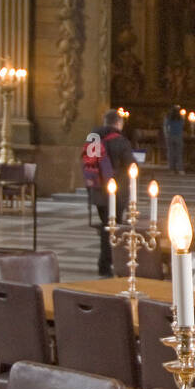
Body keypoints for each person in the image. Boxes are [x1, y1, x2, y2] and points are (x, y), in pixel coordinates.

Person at [80, 108, 135, 277]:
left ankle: (104, 264)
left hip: (97, 192)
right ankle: (109, 263)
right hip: (117, 193)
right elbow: (131, 166)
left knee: (106, 227)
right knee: (115, 229)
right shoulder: (120, 141)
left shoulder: (93, 137)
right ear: (119, 123)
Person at [163, 105, 184, 174]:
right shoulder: (180, 118)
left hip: (171, 136)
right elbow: (182, 126)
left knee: (171, 153)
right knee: (178, 153)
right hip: (177, 136)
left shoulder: (169, 117)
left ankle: (172, 169)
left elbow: (165, 126)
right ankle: (179, 169)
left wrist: (166, 135)